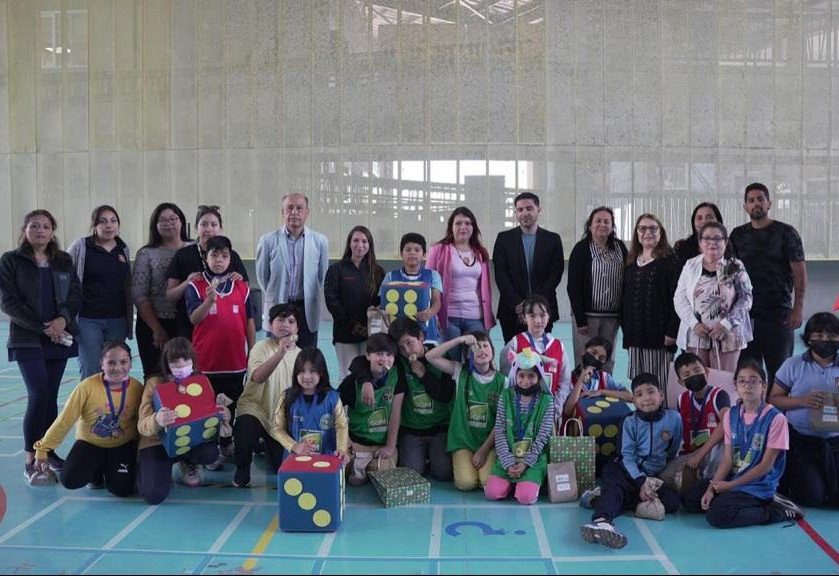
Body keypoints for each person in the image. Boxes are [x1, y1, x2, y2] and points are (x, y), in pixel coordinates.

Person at [0, 210, 81, 485]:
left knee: (51, 397)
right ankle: (31, 460)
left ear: (52, 231)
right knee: (38, 395)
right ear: (25, 230)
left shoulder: (63, 260)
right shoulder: (11, 261)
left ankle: (48, 451)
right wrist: (43, 327)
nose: (40, 231)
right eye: (34, 226)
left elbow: (75, 295)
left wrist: (62, 321)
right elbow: (8, 301)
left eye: (46, 226)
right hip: (28, 338)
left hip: (59, 337)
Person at [682, 358, 805, 527]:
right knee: (690, 501)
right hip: (735, 476)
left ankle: (774, 511)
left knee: (717, 515)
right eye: (742, 381)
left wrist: (730, 485)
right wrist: (711, 488)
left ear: (764, 386)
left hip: (758, 483)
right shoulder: (731, 415)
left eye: (753, 381)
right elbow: (728, 459)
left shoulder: (776, 419)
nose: (747, 386)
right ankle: (733, 500)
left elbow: (766, 466)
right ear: (736, 386)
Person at [580, 373, 682, 549]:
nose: (646, 398)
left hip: (651, 475)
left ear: (661, 395)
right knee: (616, 488)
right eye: (639, 394)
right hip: (623, 469)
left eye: (651, 391)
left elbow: (673, 449)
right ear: (633, 400)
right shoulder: (629, 421)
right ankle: (602, 521)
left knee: (672, 502)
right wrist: (641, 482)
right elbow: (626, 456)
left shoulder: (674, 419)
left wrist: (652, 480)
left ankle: (599, 498)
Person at [32, 342, 142, 496]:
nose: (117, 368)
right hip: (90, 444)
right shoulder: (87, 387)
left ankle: (108, 468)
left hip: (122, 445)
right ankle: (96, 471)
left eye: (123, 362)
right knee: (69, 479)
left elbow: (141, 422)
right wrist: (43, 449)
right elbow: (64, 421)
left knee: (122, 489)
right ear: (101, 364)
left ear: (130, 363)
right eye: (111, 362)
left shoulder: (137, 388)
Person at [186, 235, 256, 469]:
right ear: (206, 258)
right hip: (206, 363)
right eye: (214, 255)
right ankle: (209, 451)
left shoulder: (242, 287)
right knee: (207, 409)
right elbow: (194, 318)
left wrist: (253, 352)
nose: (219, 260)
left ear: (230, 259)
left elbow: (249, 322)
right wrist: (209, 300)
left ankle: (226, 444)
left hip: (235, 363)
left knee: (231, 408)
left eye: (224, 256)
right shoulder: (196, 285)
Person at [729, 182, 806, 392]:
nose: (756, 203)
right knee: (748, 374)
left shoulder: (786, 233)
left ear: (769, 203)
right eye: (751, 200)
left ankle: (778, 413)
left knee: (779, 375)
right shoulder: (737, 235)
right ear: (745, 206)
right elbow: (728, 275)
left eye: (760, 199)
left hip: (779, 316)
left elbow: (800, 273)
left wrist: (798, 308)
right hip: (746, 318)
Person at [137, 338, 229, 503]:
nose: (181, 365)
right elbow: (142, 425)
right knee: (153, 495)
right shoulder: (154, 383)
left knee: (210, 453)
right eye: (175, 361)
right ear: (166, 364)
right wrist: (157, 420)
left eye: (186, 359)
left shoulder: (201, 380)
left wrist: (223, 415)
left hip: (190, 441)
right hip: (156, 443)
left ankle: (188, 462)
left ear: (193, 360)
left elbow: (210, 413)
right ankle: (146, 466)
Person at [771, 312, 839, 507]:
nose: (825, 340)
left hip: (836, 441)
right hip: (802, 440)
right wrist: (801, 401)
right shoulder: (793, 364)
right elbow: (774, 399)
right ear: (809, 338)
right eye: (819, 335)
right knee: (811, 497)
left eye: (832, 335)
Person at [425, 332, 506, 491]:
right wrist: (459, 339)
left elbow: (501, 421)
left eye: (485, 346)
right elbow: (430, 356)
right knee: (465, 483)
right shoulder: (460, 373)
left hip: (488, 443)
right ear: (468, 356)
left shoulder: (503, 381)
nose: (481, 350)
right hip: (463, 441)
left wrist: (483, 451)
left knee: (487, 482)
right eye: (476, 347)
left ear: (492, 350)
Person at [233, 304, 301, 488]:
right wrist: (280, 352)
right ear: (270, 325)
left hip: (279, 418)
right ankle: (242, 469)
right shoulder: (260, 348)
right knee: (245, 431)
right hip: (255, 409)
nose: (285, 324)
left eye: (291, 321)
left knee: (279, 466)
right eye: (280, 320)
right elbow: (258, 377)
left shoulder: (301, 356)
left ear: (297, 328)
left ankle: (264, 446)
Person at [674, 222, 753, 372]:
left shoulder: (735, 266)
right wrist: (694, 324)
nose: (712, 242)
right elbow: (679, 298)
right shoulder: (690, 265)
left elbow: (746, 298)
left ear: (725, 242)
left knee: (724, 380)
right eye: (707, 238)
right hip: (697, 335)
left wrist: (726, 324)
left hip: (728, 335)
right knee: (698, 379)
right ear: (700, 243)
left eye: (717, 238)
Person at [67, 205, 132, 379]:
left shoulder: (123, 249)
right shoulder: (81, 247)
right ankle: (89, 398)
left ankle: (113, 397)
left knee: (115, 369)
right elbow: (64, 277)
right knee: (91, 369)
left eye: (113, 221)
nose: (109, 225)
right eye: (103, 221)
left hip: (117, 319)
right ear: (94, 225)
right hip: (88, 319)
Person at [256, 193, 329, 348]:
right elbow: (263, 277)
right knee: (276, 356)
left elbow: (321, 277)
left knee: (307, 357)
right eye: (289, 208)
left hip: (306, 310)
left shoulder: (320, 241)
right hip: (278, 307)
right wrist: (275, 295)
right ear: (282, 212)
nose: (294, 212)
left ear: (307, 213)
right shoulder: (268, 241)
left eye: (299, 208)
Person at [165, 205, 249, 340]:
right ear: (196, 228)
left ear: (220, 229)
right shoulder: (183, 255)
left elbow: (245, 293)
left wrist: (238, 279)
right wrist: (187, 282)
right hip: (189, 326)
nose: (208, 229)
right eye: (204, 224)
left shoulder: (231, 255)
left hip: (225, 327)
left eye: (214, 225)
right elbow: (170, 295)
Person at [484, 349, 555, 505]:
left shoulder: (547, 401)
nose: (525, 380)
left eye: (531, 376)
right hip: (508, 456)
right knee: (492, 493)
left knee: (526, 498)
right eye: (521, 375)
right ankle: (512, 483)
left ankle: (523, 484)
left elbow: (542, 437)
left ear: (539, 377)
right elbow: (500, 431)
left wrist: (526, 463)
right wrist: (508, 462)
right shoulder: (505, 396)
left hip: (533, 460)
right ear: (515, 375)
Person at [493, 192, 564, 343]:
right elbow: (500, 274)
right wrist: (517, 303)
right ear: (516, 213)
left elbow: (555, 273)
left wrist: (534, 304)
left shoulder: (553, 240)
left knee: (541, 353)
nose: (525, 213)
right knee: (513, 353)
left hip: (543, 310)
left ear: (539, 210)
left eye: (529, 208)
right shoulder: (504, 239)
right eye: (520, 210)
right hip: (512, 311)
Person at [621, 213, 680, 394]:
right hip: (635, 337)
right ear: (637, 233)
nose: (648, 232)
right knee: (639, 383)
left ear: (661, 233)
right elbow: (626, 300)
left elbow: (677, 300)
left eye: (653, 228)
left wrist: (672, 332)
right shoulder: (631, 263)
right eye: (642, 228)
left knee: (658, 384)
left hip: (660, 338)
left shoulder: (670, 262)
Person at [389, 317, 454, 479]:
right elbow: (367, 359)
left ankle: (430, 455)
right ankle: (421, 455)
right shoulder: (399, 363)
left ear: (421, 336)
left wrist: (425, 376)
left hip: (439, 427)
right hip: (412, 430)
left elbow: (446, 396)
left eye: (409, 343)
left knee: (444, 472)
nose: (407, 351)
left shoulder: (440, 357)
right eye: (401, 348)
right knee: (412, 473)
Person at [132, 203, 191, 378]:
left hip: (188, 323)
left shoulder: (194, 248)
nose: (169, 223)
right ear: (155, 225)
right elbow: (139, 295)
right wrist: (157, 329)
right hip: (154, 324)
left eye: (173, 218)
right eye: (163, 220)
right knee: (155, 376)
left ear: (181, 222)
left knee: (187, 376)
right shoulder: (146, 254)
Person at [567, 206, 628, 372]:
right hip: (587, 317)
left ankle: (605, 386)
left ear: (612, 226)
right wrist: (580, 318)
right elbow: (573, 286)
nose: (602, 224)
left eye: (607, 221)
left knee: (607, 359)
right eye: (598, 221)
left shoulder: (620, 247)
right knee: (586, 358)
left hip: (612, 316)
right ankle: (583, 387)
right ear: (590, 226)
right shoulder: (581, 249)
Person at [426, 207, 496, 350]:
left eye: (467, 223)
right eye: (458, 223)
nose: (463, 227)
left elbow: (485, 288)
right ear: (451, 227)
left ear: (473, 227)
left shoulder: (481, 252)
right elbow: (427, 284)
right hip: (448, 317)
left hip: (476, 316)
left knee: (478, 357)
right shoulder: (438, 250)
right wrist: (434, 316)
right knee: (453, 359)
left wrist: (487, 316)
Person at [339, 333, 404, 485]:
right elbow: (334, 408)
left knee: (383, 473)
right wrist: (346, 440)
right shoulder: (352, 381)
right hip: (358, 442)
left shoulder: (397, 376)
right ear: (368, 355)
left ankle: (368, 466)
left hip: (382, 443)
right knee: (350, 478)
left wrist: (390, 446)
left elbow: (396, 413)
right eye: (379, 354)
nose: (384, 359)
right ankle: (359, 464)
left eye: (389, 355)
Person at [660, 352, 730, 489]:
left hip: (713, 450)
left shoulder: (719, 395)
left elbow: (726, 423)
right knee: (664, 477)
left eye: (697, 370)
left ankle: (707, 483)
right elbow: (680, 430)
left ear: (706, 372)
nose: (693, 376)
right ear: (681, 382)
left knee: (719, 451)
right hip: (691, 452)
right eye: (687, 375)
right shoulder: (682, 399)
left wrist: (700, 455)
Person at [324, 225, 384, 379]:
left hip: (370, 334)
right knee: (348, 376)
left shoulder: (377, 272)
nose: (360, 245)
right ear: (349, 243)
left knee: (370, 376)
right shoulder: (336, 270)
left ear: (370, 245)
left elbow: (381, 302)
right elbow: (332, 301)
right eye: (356, 240)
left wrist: (371, 327)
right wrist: (352, 325)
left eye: (364, 241)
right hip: (345, 334)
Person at [500, 294, 572, 417]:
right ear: (524, 317)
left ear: (549, 316)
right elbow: (506, 380)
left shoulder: (559, 346)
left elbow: (565, 382)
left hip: (549, 412)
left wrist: (555, 407)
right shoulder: (515, 344)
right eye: (532, 316)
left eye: (542, 315)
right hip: (520, 413)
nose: (538, 320)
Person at [270, 348, 349, 460]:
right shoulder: (286, 397)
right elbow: (277, 428)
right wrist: (294, 446)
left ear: (321, 372)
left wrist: (341, 449)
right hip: (295, 459)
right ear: (296, 373)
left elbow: (341, 426)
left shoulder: (332, 398)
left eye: (312, 371)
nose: (307, 376)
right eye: (302, 371)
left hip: (327, 459)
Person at [379, 233, 443, 344]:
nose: (412, 253)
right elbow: (382, 304)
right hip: (398, 334)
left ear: (424, 254)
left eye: (417, 250)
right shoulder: (390, 276)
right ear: (401, 254)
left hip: (427, 333)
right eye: (408, 250)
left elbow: (437, 301)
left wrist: (430, 313)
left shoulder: (433, 275)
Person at [562, 336, 632, 419]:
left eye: (601, 358)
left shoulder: (604, 378)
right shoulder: (568, 378)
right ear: (584, 351)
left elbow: (630, 397)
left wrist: (602, 392)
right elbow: (567, 410)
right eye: (593, 352)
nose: (595, 358)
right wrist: (580, 381)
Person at [673, 202, 723, 269]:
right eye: (699, 218)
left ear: (718, 221)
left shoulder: (728, 247)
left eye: (709, 217)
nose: (704, 221)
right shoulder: (682, 247)